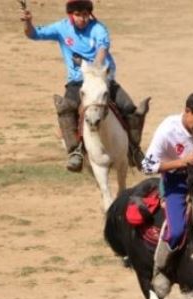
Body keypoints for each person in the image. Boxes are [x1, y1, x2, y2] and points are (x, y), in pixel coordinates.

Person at [21, 0, 145, 172]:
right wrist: (28, 22)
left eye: (85, 14)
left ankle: (134, 149)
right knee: (65, 108)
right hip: (78, 81)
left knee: (130, 108)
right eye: (78, 15)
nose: (82, 19)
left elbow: (102, 48)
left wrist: (96, 68)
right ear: (70, 15)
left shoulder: (98, 28)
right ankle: (75, 151)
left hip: (102, 79)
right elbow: (33, 34)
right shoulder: (61, 28)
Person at [140, 91, 193, 296]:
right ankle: (162, 269)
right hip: (177, 181)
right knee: (177, 230)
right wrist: (181, 162)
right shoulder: (167, 130)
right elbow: (146, 166)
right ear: (187, 111)